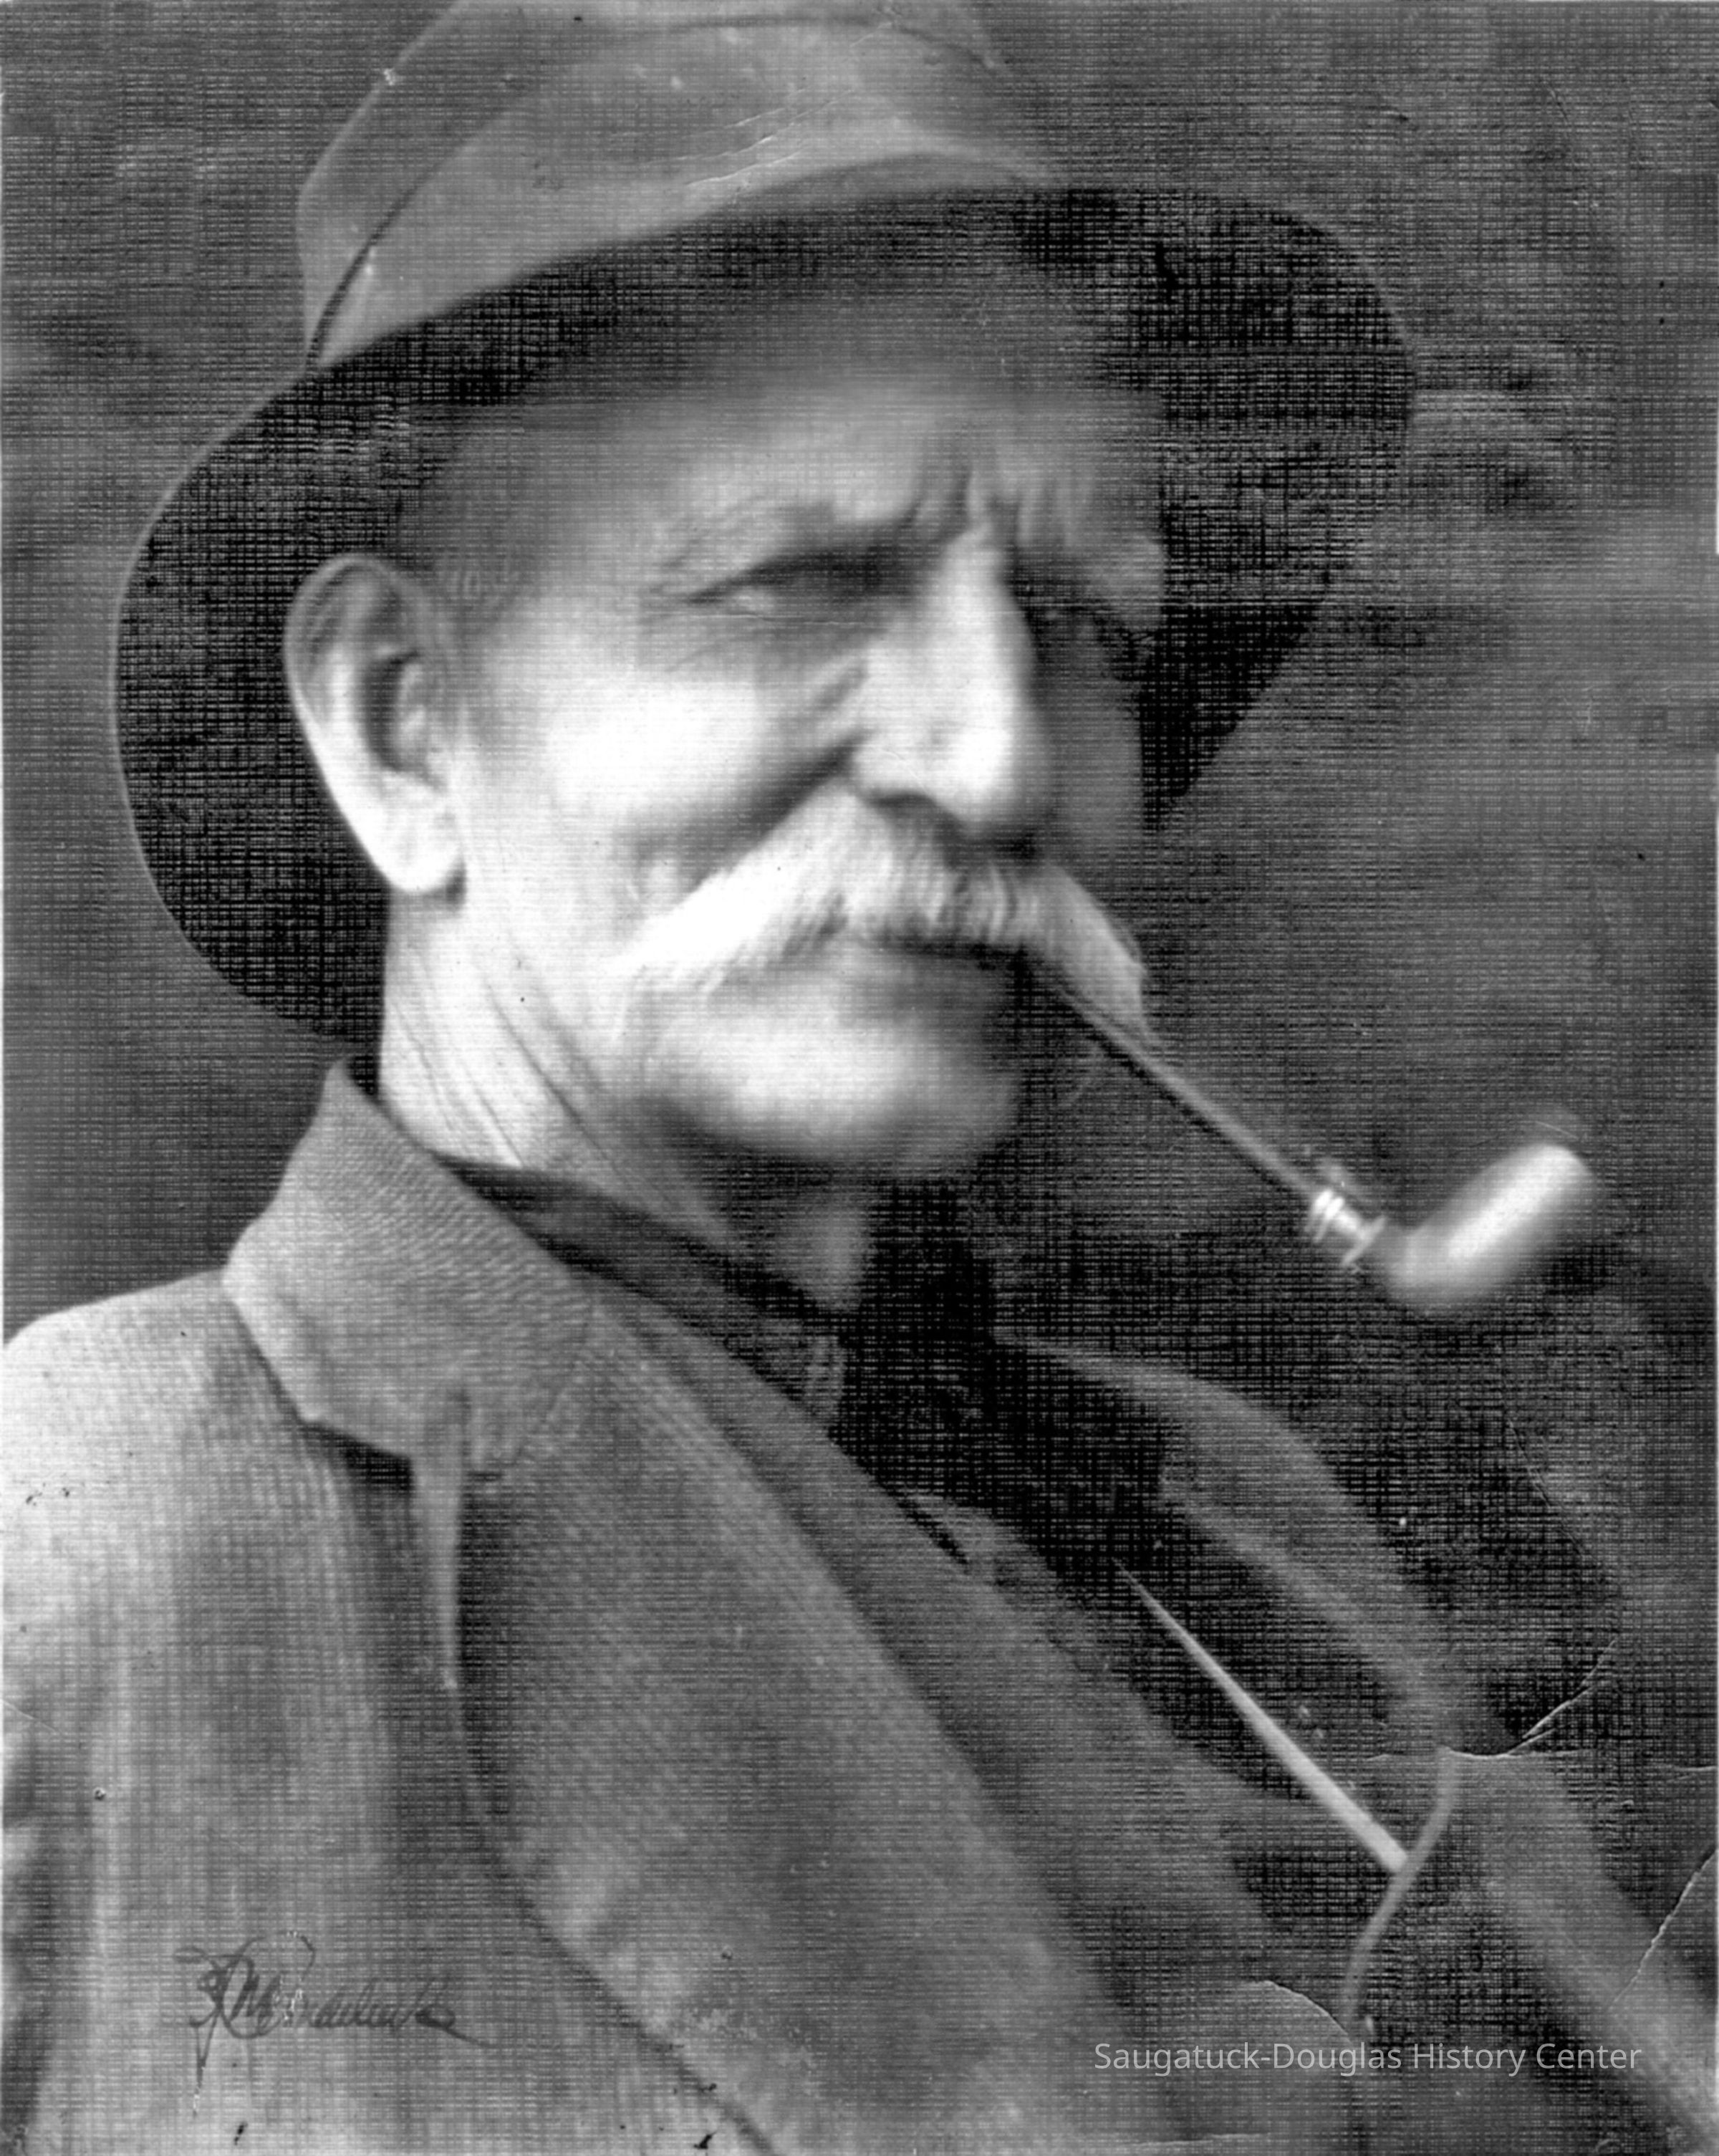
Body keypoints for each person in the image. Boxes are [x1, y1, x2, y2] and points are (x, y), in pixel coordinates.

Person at [5, 4, 1710, 2152]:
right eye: (802, 584)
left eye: (1077, 625)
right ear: (402, 722)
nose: (998, 764)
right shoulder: (98, 1529)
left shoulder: (1244, 1527)